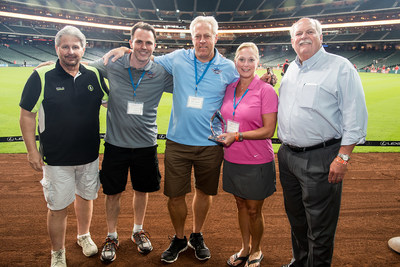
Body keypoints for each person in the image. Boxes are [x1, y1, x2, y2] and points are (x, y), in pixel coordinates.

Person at [102, 16, 277, 264]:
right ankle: (179, 237)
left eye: (207, 36)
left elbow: (247, 82)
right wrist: (126, 49)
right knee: (174, 195)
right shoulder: (177, 58)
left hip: (210, 143)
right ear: (191, 37)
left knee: (204, 192)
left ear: (216, 37)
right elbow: (144, 57)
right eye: (197, 36)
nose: (202, 41)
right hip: (178, 141)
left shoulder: (228, 66)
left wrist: (267, 80)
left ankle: (197, 234)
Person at [277, 18, 368, 267]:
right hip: (287, 156)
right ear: (292, 40)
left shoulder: (340, 67)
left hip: (321, 156)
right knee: (297, 219)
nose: (303, 37)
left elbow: (356, 115)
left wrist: (343, 157)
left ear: (321, 36)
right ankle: (300, 261)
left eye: (310, 32)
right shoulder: (292, 68)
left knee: (320, 225)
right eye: (298, 34)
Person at [19, 26, 109, 267]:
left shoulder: (95, 75)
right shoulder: (41, 76)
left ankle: (83, 235)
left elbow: (112, 103)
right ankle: (57, 251)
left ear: (84, 48)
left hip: (89, 155)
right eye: (65, 47)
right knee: (58, 206)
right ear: (57, 48)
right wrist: (32, 151)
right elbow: (27, 115)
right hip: (56, 157)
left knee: (86, 197)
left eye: (75, 47)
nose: (71, 52)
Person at [92, 22, 173, 262]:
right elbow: (81, 69)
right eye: (138, 42)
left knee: (141, 189)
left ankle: (138, 230)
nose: (143, 47)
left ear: (155, 46)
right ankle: (111, 235)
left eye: (148, 43)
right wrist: (44, 69)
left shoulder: (160, 72)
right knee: (113, 192)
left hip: (146, 144)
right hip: (115, 144)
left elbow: (194, 87)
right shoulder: (113, 64)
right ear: (131, 43)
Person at [218, 43, 278, 267]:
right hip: (232, 158)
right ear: (235, 63)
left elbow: (269, 130)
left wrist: (238, 136)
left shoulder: (266, 90)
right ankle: (244, 247)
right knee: (240, 205)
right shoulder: (229, 87)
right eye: (241, 59)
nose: (246, 64)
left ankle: (257, 250)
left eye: (251, 60)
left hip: (257, 160)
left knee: (254, 209)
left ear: (258, 63)